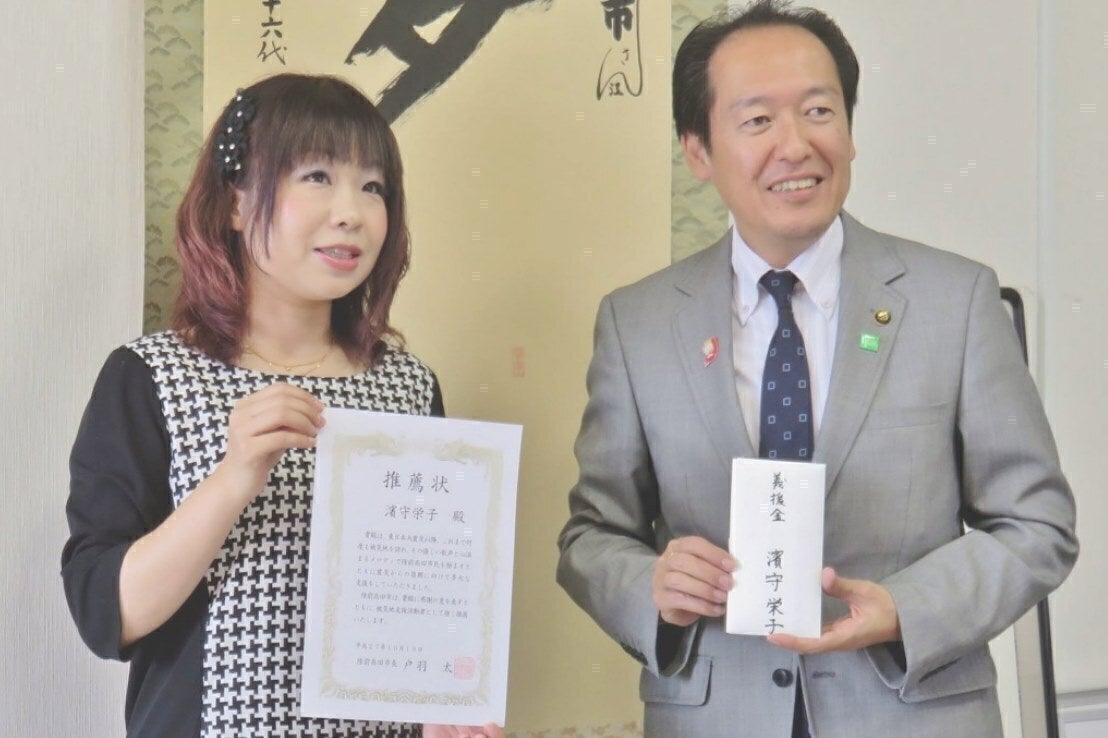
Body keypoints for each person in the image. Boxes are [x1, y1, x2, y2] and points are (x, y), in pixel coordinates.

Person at [555, 2, 1078, 736]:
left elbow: (1036, 524)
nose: (795, 145)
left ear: (850, 132)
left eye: (818, 111)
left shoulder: (955, 301)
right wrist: (653, 587)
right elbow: (591, 535)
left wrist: (907, 609)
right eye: (757, 120)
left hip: (910, 713)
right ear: (698, 152)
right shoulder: (637, 324)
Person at [62, 73, 502, 738]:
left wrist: (440, 709)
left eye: (374, 186)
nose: (351, 212)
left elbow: (428, 606)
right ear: (236, 203)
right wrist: (235, 476)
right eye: (317, 176)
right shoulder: (151, 375)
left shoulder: (408, 387)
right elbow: (107, 615)